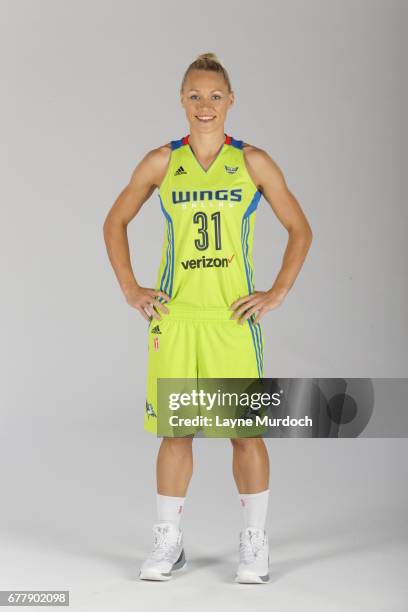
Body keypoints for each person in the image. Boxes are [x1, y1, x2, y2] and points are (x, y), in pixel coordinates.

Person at [103, 52, 312, 584]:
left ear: (231, 100)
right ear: (181, 99)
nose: (204, 105)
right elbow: (115, 220)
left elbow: (299, 228)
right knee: (176, 434)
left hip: (231, 321)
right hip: (176, 319)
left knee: (245, 433)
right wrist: (130, 288)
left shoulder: (253, 162)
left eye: (214, 96)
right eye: (194, 95)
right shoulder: (160, 162)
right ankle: (169, 544)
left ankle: (255, 545)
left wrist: (277, 291)